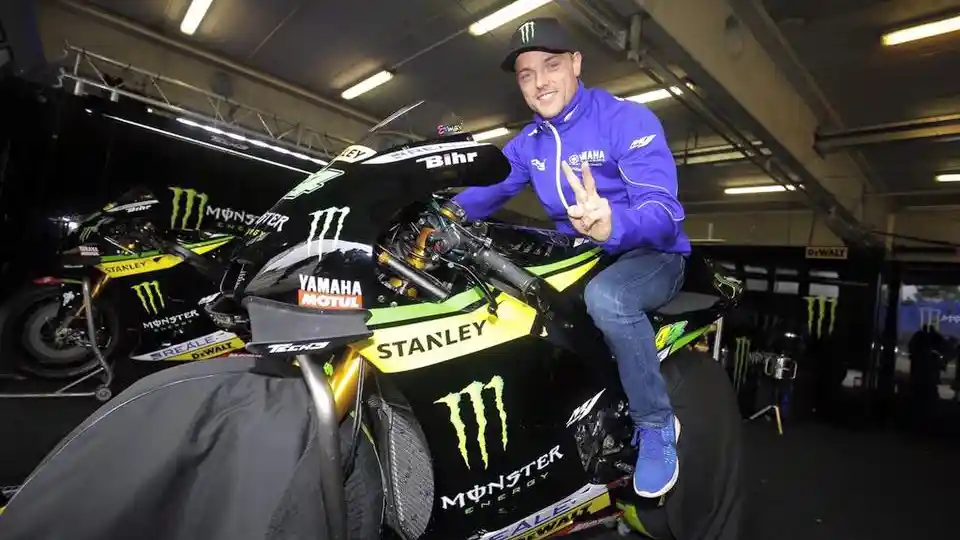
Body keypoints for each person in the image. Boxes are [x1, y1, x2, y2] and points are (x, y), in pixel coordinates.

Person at [451, 17, 691, 498]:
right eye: (526, 74)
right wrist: (439, 211)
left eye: (552, 66)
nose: (540, 82)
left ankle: (656, 425)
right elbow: (485, 192)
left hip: (652, 252)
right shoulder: (529, 144)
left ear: (576, 64)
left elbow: (664, 212)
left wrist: (613, 223)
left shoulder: (627, 120)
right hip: (580, 257)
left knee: (609, 298)